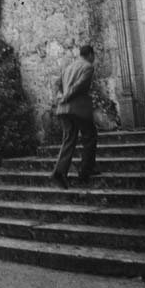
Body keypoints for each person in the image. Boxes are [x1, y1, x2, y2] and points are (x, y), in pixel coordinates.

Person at [51, 45, 99, 189]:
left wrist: (59, 97)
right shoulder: (88, 67)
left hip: (63, 109)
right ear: (90, 54)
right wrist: (66, 96)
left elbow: (56, 84)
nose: (93, 59)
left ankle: (59, 174)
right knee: (90, 136)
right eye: (93, 56)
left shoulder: (69, 67)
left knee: (69, 140)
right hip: (78, 108)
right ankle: (86, 171)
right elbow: (79, 85)